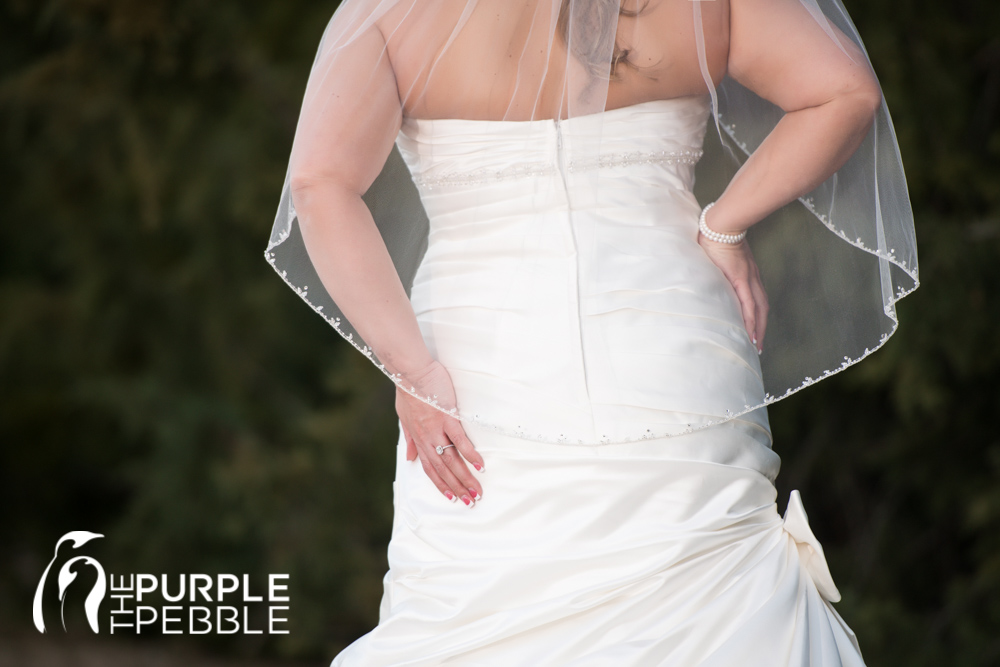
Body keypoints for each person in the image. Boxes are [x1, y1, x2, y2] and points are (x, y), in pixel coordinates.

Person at [266, 0, 918, 664]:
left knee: (475, 609)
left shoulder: (395, 10)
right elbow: (846, 91)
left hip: (479, 361)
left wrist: (413, 367)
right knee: (709, 592)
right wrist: (725, 222)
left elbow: (320, 184)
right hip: (670, 336)